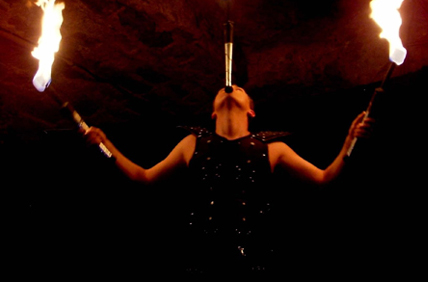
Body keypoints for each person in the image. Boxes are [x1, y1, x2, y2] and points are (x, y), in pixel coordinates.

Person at [84, 84, 373, 275]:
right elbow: (143, 177)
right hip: (201, 261)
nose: (231, 88)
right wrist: (105, 146)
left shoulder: (274, 148)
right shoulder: (191, 143)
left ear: (251, 110)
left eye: (241, 89)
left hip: (257, 262)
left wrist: (350, 140)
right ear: (213, 111)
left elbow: (324, 178)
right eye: (221, 91)